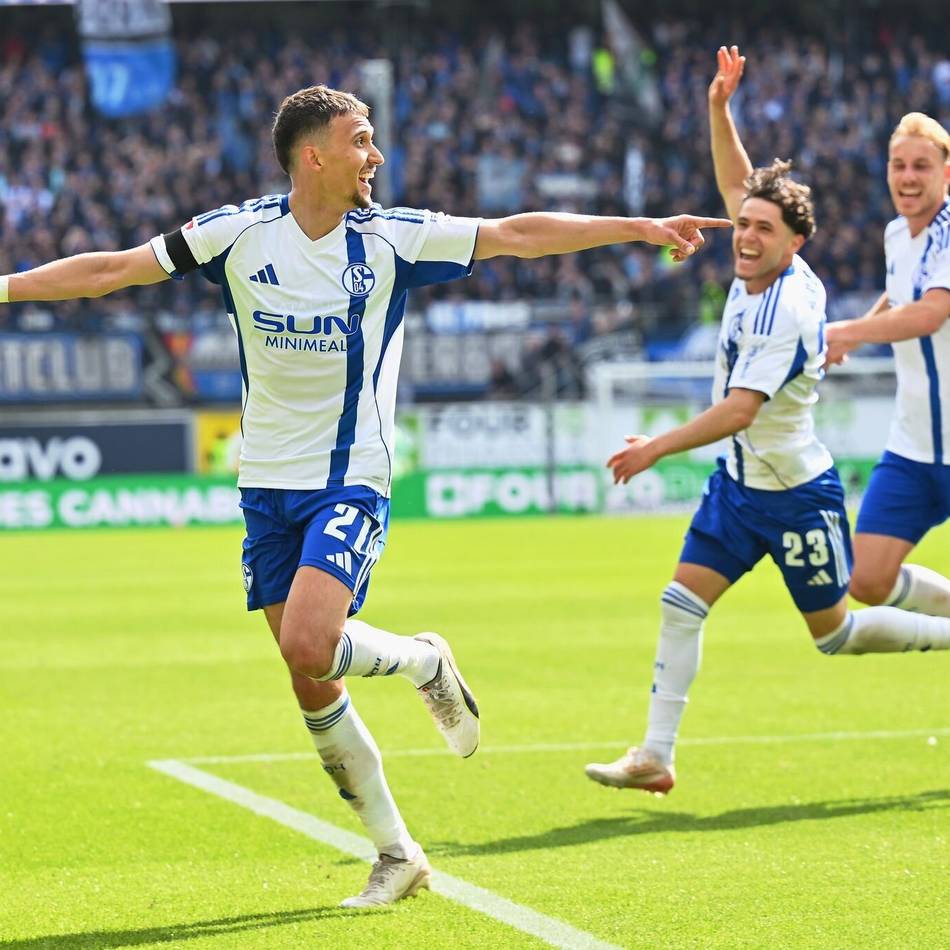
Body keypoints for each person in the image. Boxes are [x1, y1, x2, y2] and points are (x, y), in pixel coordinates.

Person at [0, 84, 730, 904]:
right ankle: (397, 851)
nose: (375, 155)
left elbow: (516, 233)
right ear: (314, 155)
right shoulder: (236, 233)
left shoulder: (392, 238)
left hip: (350, 477)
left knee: (312, 643)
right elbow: (111, 271)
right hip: (265, 485)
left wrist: (635, 226)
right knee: (311, 681)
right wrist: (5, 287)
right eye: (360, 140)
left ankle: (423, 658)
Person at [585, 47, 950, 798]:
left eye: (759, 229)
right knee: (681, 602)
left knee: (838, 633)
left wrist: (655, 447)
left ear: (795, 243)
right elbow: (738, 185)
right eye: (741, 225)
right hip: (738, 487)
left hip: (793, 492)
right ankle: (655, 755)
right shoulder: (758, 261)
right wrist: (719, 109)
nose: (742, 235)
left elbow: (741, 410)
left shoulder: (790, 306)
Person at [824, 114, 950, 616]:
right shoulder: (897, 234)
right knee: (867, 580)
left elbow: (931, 312)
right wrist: (863, 325)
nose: (908, 177)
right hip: (914, 448)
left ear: (947, 172)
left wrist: (845, 331)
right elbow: (900, 293)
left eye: (922, 165)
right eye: (898, 165)